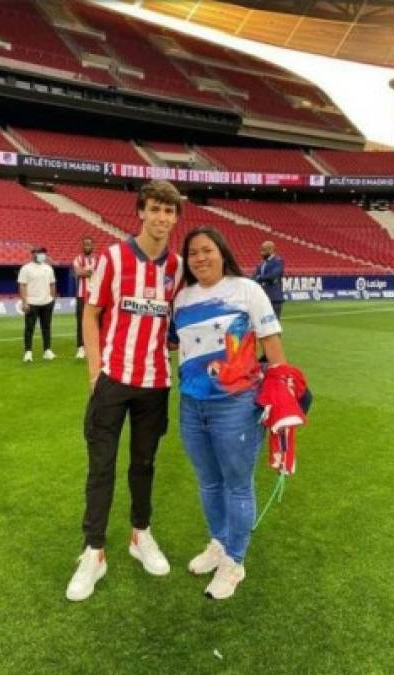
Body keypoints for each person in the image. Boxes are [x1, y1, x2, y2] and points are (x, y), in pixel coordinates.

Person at [66, 180, 184, 602]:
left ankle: (140, 534)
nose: (162, 218)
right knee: (101, 467)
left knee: (144, 464)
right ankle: (94, 551)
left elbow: (179, 320)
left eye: (169, 212)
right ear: (141, 211)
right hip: (113, 381)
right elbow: (91, 313)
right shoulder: (114, 258)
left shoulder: (178, 267)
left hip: (155, 382)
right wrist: (95, 372)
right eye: (155, 209)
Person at [172, 227, 287, 600]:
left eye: (207, 250)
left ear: (222, 252)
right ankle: (219, 544)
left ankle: (234, 561)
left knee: (237, 484)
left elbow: (271, 343)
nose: (200, 258)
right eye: (192, 254)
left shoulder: (247, 290)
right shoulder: (183, 297)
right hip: (192, 405)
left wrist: (281, 389)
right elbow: (180, 347)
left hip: (236, 405)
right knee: (208, 482)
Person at [18, 247, 56, 362]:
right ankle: (28, 352)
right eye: (40, 253)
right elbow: (22, 285)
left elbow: (52, 284)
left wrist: (52, 299)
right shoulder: (26, 268)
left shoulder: (48, 268)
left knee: (46, 327)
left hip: (47, 302)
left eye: (43, 253)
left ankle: (47, 350)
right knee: (29, 328)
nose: (42, 255)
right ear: (33, 254)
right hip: (32, 303)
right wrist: (25, 302)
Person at [73, 237, 98, 359]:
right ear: (82, 246)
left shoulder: (98, 259)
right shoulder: (78, 258)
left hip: (96, 296)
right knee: (80, 322)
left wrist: (86, 271)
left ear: (93, 246)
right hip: (82, 295)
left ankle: (94, 347)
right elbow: (78, 273)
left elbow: (101, 274)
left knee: (97, 322)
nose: (87, 246)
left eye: (89, 244)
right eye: (85, 244)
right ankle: (81, 348)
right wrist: (91, 272)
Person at [253, 240, 284, 319]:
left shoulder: (278, 261)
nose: (261, 253)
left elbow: (272, 276)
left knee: (274, 324)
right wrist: (257, 278)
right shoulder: (261, 263)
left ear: (271, 250)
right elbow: (254, 276)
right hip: (262, 297)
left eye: (264, 250)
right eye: (261, 250)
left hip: (274, 297)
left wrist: (259, 278)